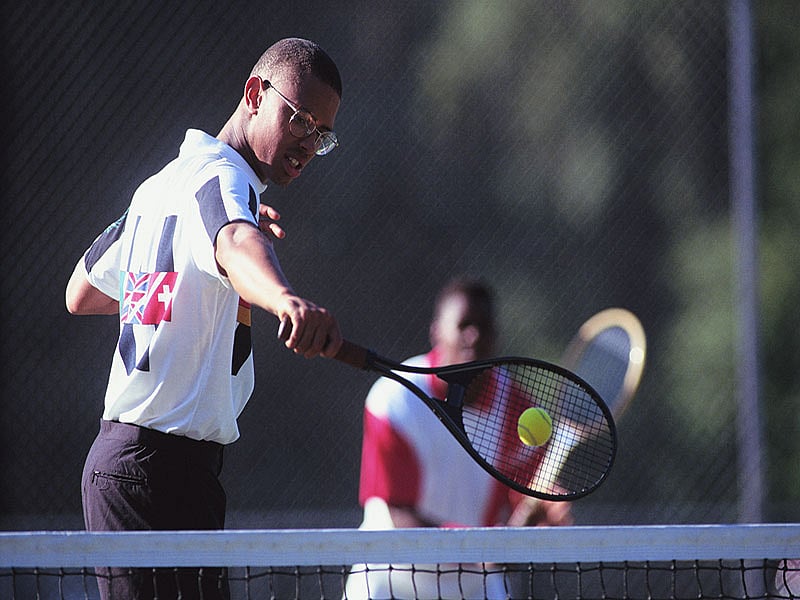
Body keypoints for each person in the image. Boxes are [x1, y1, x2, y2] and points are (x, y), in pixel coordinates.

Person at [65, 37, 344, 600]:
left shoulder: (161, 186)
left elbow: (83, 290)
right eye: (300, 118)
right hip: (146, 472)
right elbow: (235, 240)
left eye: (322, 133)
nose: (308, 142)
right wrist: (283, 298)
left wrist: (198, 266)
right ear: (255, 93)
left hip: (167, 473)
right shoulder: (222, 179)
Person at [344, 277, 572, 600]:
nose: (474, 337)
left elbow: (520, 514)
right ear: (437, 331)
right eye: (464, 325)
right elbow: (399, 514)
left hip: (475, 587)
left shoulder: (519, 412)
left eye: (484, 327)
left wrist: (542, 518)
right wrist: (479, 549)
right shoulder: (395, 399)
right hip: (386, 581)